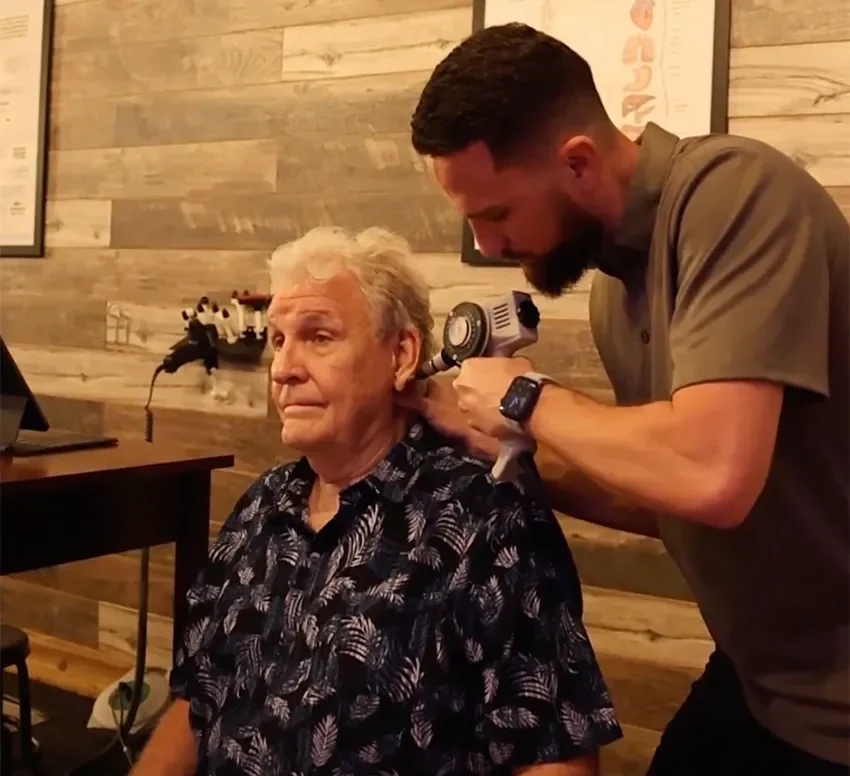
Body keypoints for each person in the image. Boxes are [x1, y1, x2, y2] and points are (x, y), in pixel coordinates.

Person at [405, 22, 850, 776]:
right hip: (760, 680)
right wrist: (512, 455)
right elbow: (666, 495)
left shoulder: (734, 193)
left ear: (578, 161)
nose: (486, 245)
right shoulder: (615, 290)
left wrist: (525, 397)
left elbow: (711, 473)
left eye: (498, 214)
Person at [130, 226, 623, 776]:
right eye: (278, 340)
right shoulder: (261, 506)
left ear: (401, 355)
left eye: (319, 337)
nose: (283, 368)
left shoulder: (482, 518)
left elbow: (554, 756)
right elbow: (196, 699)